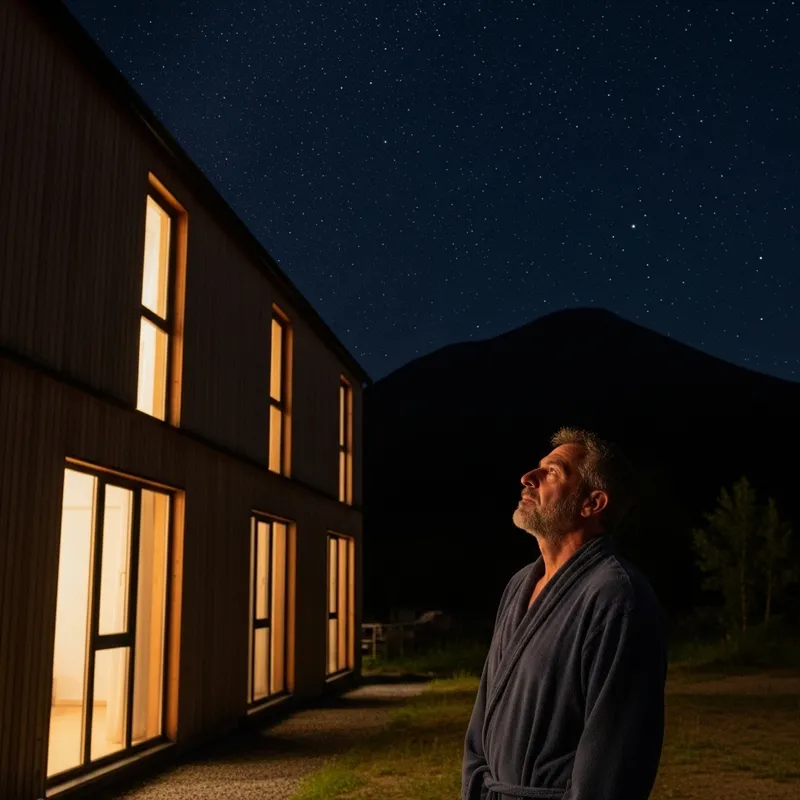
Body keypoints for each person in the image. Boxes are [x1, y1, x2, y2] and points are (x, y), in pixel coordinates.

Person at [462, 427, 668, 800]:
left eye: (553, 471)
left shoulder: (617, 597)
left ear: (592, 503)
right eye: (537, 469)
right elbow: (483, 714)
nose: (528, 478)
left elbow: (616, 760)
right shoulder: (520, 584)